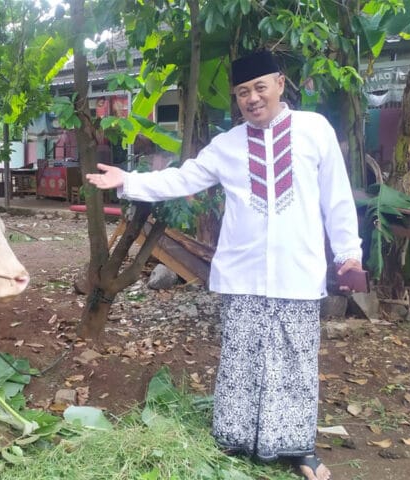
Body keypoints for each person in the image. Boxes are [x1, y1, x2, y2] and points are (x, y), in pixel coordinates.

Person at [87, 50, 364, 480]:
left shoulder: (315, 131)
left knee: (295, 361)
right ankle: (235, 439)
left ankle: (297, 449)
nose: (252, 99)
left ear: (279, 84)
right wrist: (129, 181)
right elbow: (183, 177)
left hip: (298, 270)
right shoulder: (228, 145)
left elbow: (338, 198)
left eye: (258, 88)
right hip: (244, 273)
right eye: (241, 93)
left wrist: (348, 255)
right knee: (242, 358)